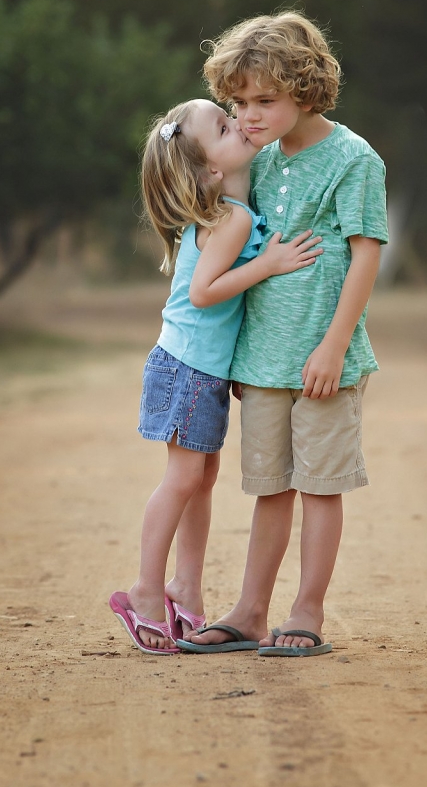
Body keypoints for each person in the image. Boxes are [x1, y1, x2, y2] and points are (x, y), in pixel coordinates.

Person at [178, 11, 388, 658]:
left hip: (324, 355)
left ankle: (307, 610)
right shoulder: (256, 160)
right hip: (263, 357)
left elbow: (365, 253)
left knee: (321, 485)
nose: (248, 115)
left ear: (305, 89)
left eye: (264, 101)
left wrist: (332, 345)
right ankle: (249, 612)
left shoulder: (353, 158)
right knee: (270, 487)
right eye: (238, 102)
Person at [109, 97, 323, 654]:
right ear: (212, 169)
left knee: (202, 478)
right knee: (183, 479)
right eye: (227, 126)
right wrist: (268, 265)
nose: (241, 123)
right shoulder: (235, 219)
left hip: (197, 370)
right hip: (186, 369)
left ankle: (185, 583)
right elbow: (204, 295)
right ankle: (145, 590)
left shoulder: (229, 210)